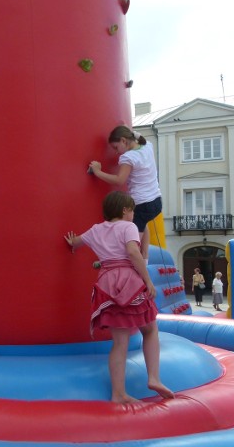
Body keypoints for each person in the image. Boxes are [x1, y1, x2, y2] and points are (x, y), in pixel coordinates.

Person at [63, 191, 174, 404]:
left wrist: (71, 241)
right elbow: (133, 252)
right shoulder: (127, 226)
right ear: (125, 210)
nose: (133, 215)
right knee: (150, 329)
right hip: (128, 280)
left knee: (119, 342)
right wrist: (148, 281)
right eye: (132, 210)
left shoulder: (96, 230)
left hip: (107, 283)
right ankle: (154, 377)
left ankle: (118, 393)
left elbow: (76, 243)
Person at [88, 126, 162, 263]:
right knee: (142, 224)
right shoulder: (148, 146)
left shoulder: (128, 157)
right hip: (156, 201)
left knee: (132, 242)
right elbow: (138, 137)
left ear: (123, 141)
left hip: (142, 203)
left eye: (116, 148)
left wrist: (98, 172)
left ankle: (124, 262)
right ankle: (145, 259)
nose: (116, 152)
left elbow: (119, 180)